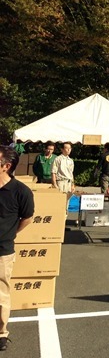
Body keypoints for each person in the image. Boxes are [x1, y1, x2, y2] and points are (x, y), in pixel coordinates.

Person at [0, 145, 35, 351]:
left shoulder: (21, 191)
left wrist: (10, 233)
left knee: (1, 294)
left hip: (2, 251)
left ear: (6, 166)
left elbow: (27, 218)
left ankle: (1, 333)